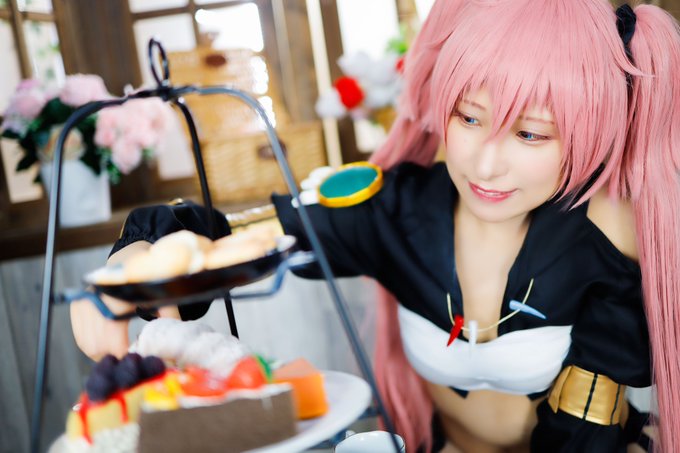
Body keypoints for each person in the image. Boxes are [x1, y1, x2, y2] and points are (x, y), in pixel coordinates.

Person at [71, 0, 680, 451]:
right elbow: (236, 239)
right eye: (469, 119)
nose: (486, 164)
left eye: (530, 134)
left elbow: (587, 425)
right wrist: (133, 262)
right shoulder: (397, 208)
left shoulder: (603, 236)